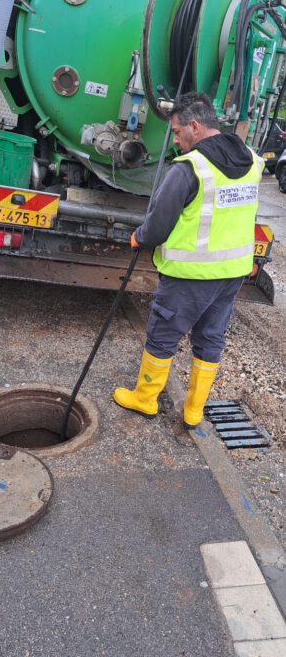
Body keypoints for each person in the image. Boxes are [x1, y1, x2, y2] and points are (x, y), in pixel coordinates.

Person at [113, 92, 264, 428]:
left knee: (163, 334)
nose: (177, 139)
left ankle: (145, 398)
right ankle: (194, 410)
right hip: (231, 273)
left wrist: (140, 237)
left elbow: (159, 222)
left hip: (190, 274)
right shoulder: (253, 162)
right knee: (210, 336)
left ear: (195, 126)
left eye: (178, 132)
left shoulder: (190, 168)